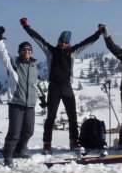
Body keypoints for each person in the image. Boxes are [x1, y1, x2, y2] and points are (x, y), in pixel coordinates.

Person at [20, 17, 102, 153]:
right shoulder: (50, 50)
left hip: (67, 87)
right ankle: (47, 143)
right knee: (51, 117)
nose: (63, 44)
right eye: (61, 41)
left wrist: (98, 33)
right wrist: (26, 26)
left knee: (73, 116)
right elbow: (37, 38)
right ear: (58, 41)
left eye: (65, 42)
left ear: (68, 43)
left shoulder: (73, 51)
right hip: (54, 87)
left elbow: (87, 42)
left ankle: (74, 142)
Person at [0, 26, 39, 167]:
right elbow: (2, 54)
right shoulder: (13, 63)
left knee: (29, 131)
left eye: (29, 50)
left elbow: (34, 84)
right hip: (16, 103)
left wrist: (40, 98)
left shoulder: (33, 66)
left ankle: (19, 150)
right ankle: (8, 156)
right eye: (24, 50)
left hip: (30, 104)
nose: (27, 52)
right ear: (20, 51)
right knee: (14, 133)